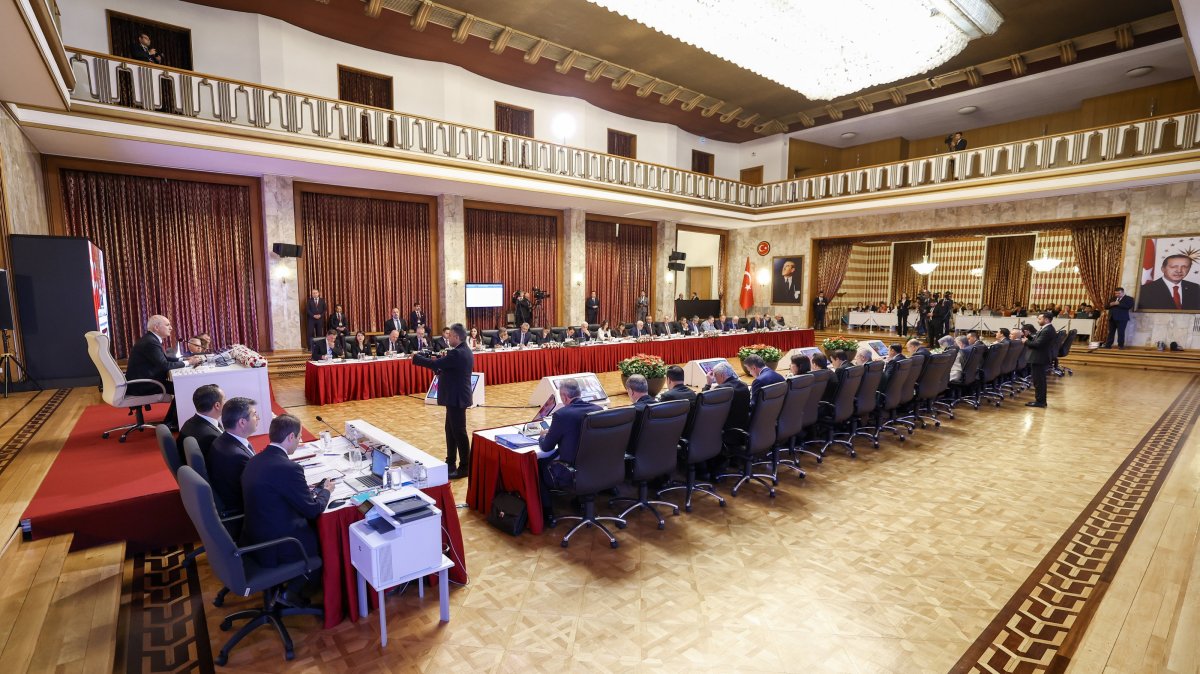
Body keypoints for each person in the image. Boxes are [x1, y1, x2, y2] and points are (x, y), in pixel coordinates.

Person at [240, 413, 332, 603]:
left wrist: (306, 491)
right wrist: (326, 491)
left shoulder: (255, 459)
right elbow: (313, 510)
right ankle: (291, 592)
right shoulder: (289, 468)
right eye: (299, 437)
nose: (299, 441)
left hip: (253, 535)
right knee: (326, 540)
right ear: (291, 437)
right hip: (279, 545)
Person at [536, 378, 602, 523]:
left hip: (570, 473)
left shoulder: (561, 415)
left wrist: (542, 436)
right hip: (597, 468)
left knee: (537, 465)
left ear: (564, 397)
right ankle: (580, 501)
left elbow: (546, 447)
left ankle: (548, 513)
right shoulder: (598, 410)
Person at [412, 323, 473, 479]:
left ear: (457, 337)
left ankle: (465, 466)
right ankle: (450, 462)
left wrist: (417, 358)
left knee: (459, 432)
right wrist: (439, 366)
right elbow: (445, 368)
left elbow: (435, 364)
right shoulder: (461, 350)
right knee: (450, 430)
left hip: (457, 397)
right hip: (454, 396)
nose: (448, 337)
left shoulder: (458, 353)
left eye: (450, 335)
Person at [126, 314, 203, 428]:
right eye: (167, 325)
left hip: (144, 381)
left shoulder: (150, 339)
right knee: (183, 388)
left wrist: (184, 359)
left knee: (182, 386)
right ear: (156, 327)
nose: (171, 328)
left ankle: (170, 421)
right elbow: (165, 365)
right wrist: (189, 363)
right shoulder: (150, 342)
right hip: (144, 385)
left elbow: (164, 359)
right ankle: (171, 423)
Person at [207, 397, 259, 515]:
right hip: (246, 513)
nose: (258, 418)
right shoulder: (237, 456)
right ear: (242, 422)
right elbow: (256, 492)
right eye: (254, 415)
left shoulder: (222, 440)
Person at [177, 384, 224, 457]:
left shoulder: (189, 422)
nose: (226, 402)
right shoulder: (211, 437)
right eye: (224, 399)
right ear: (217, 405)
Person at [1022, 313, 1058, 408]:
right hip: (1039, 358)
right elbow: (1037, 340)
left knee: (1039, 381)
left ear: (1046, 320)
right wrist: (1029, 336)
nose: (1038, 320)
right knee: (1038, 381)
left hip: (1040, 358)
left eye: (1039, 319)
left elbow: (1038, 344)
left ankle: (1040, 402)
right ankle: (1039, 400)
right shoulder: (1046, 328)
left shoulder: (1047, 330)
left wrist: (1026, 342)